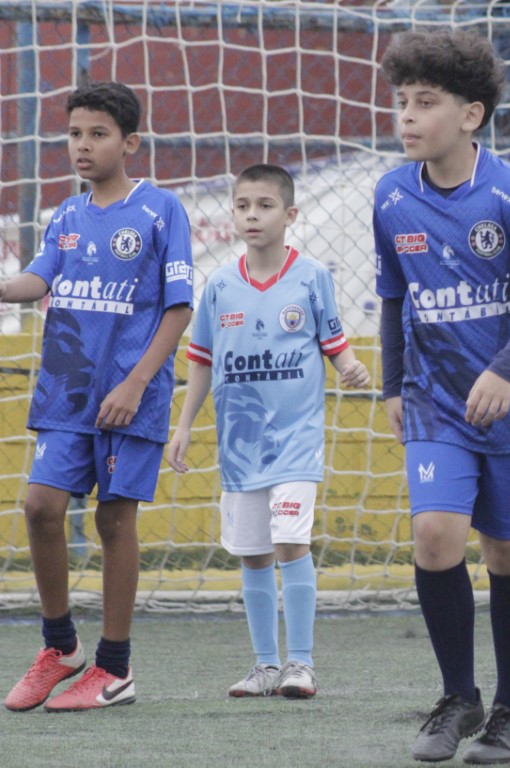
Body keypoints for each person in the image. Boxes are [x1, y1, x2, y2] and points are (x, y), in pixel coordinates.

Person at [373, 29, 510, 765]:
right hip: (434, 401)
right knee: (435, 535)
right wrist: (392, 383)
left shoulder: (508, 191)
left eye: (425, 102)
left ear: (470, 115)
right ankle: (457, 697)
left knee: (509, 549)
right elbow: (393, 297)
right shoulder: (391, 195)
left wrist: (504, 372)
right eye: (402, 100)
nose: (407, 115)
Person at [2, 81, 194, 712]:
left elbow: (179, 307)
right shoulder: (65, 214)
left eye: (98, 134)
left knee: (114, 521)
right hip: (67, 390)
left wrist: (136, 382)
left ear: (130, 143)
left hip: (129, 396)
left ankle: (114, 667)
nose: (82, 145)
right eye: (74, 134)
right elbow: (39, 278)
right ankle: (61, 647)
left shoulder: (160, 210)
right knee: (40, 507)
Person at [165, 163, 370, 699]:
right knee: (253, 553)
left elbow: (335, 344)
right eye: (242, 206)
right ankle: (264, 666)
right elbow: (202, 360)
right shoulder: (219, 285)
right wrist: (183, 426)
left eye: (264, 205)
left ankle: (301, 663)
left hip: (296, 441)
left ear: (290, 214)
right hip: (240, 448)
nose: (252, 215)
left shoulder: (312, 277)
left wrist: (351, 366)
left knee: (289, 542)